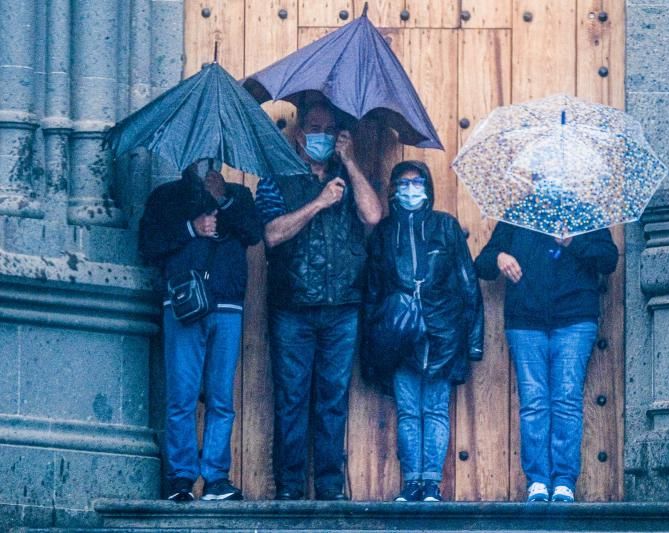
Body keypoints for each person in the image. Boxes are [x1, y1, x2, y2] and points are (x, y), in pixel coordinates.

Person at [255, 102, 382, 501]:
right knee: (291, 399)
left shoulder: (347, 176)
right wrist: (318, 203)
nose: (322, 135)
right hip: (292, 307)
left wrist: (351, 161)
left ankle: (330, 489)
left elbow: (374, 216)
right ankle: (289, 489)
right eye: (315, 127)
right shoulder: (276, 179)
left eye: (330, 129)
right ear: (299, 134)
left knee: (333, 401)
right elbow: (272, 235)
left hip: (343, 306)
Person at [139, 159, 262, 502]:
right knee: (182, 394)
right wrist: (191, 229)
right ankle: (180, 477)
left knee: (221, 396)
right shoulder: (167, 196)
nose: (206, 161)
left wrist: (223, 199)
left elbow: (254, 232)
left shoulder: (238, 194)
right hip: (184, 305)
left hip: (227, 305)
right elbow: (148, 244)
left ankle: (216, 478)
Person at [363, 161, 484, 503]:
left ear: (428, 188)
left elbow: (468, 284)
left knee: (434, 408)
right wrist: (371, 347)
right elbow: (372, 291)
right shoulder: (384, 232)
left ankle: (431, 483)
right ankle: (411, 482)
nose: (411, 189)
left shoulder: (445, 226)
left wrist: (473, 342)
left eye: (417, 183)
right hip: (399, 333)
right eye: (404, 183)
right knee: (407, 411)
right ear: (393, 189)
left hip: (443, 331)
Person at [475, 223, 617, 503]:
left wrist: (573, 243)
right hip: (525, 322)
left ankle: (564, 481)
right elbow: (483, 264)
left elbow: (608, 260)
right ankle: (538, 480)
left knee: (566, 399)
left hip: (575, 320)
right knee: (534, 403)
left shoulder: (585, 215)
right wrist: (499, 258)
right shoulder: (519, 216)